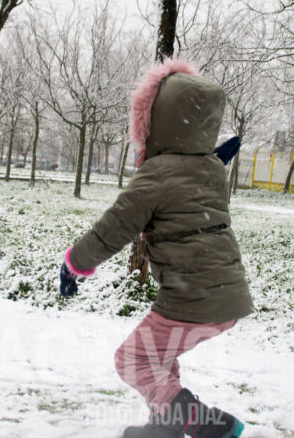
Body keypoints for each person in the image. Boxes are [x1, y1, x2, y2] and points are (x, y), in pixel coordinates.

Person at [59, 59, 253, 438]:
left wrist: (75, 263)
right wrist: (212, 158)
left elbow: (113, 228)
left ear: (151, 121)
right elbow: (191, 195)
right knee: (159, 359)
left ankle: (208, 425)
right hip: (227, 296)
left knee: (132, 359)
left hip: (191, 298)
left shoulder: (157, 173)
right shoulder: (212, 168)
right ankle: (162, 429)